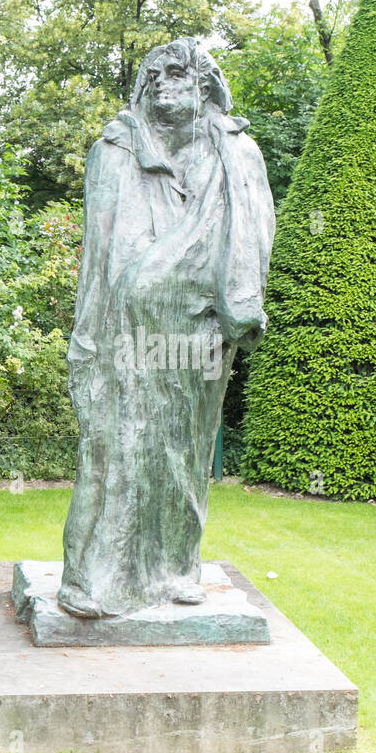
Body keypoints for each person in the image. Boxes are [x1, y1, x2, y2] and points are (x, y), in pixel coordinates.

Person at [58, 37, 275, 618]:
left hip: (200, 333)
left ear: (204, 85)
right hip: (126, 335)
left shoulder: (237, 154)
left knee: (186, 449)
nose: (162, 83)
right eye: (152, 74)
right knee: (120, 445)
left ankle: (178, 566)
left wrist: (231, 309)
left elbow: (255, 239)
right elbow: (99, 255)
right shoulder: (116, 150)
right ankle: (98, 578)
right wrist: (87, 336)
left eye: (176, 73)